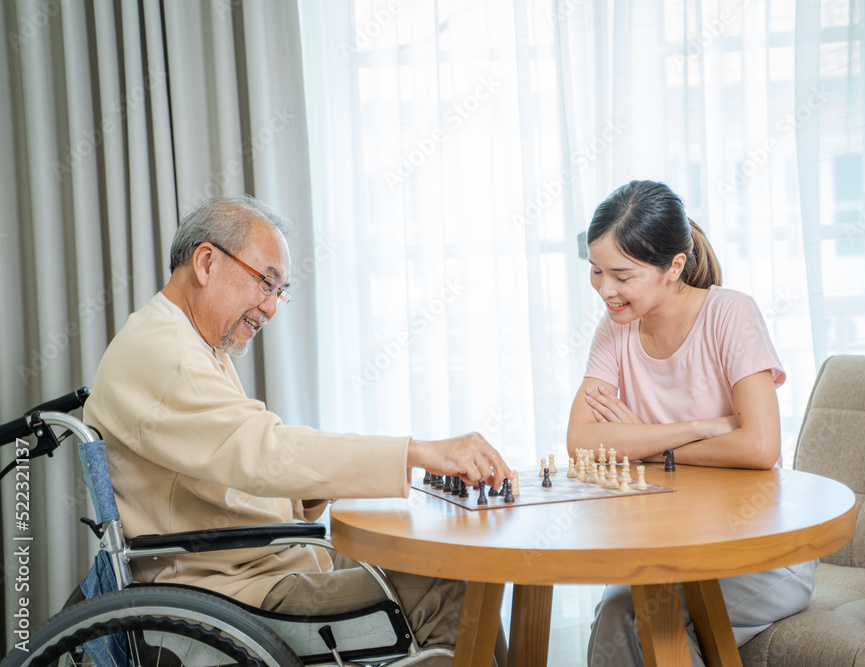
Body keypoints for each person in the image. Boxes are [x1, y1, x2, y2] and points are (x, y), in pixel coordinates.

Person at [83, 195, 511, 666]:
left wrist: (305, 497)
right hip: (237, 592)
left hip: (261, 563)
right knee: (456, 580)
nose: (271, 307)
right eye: (266, 282)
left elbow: (228, 457)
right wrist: (420, 453)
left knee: (444, 561)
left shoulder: (185, 340)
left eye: (280, 291)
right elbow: (264, 451)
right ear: (206, 262)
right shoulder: (164, 352)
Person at [566, 180, 816, 667]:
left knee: (645, 624)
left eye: (622, 274)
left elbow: (759, 447)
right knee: (617, 611)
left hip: (758, 554)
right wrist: (704, 427)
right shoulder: (616, 328)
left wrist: (641, 441)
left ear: (674, 266)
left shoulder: (730, 313)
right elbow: (582, 442)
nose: (605, 289)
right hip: (671, 550)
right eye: (595, 272)